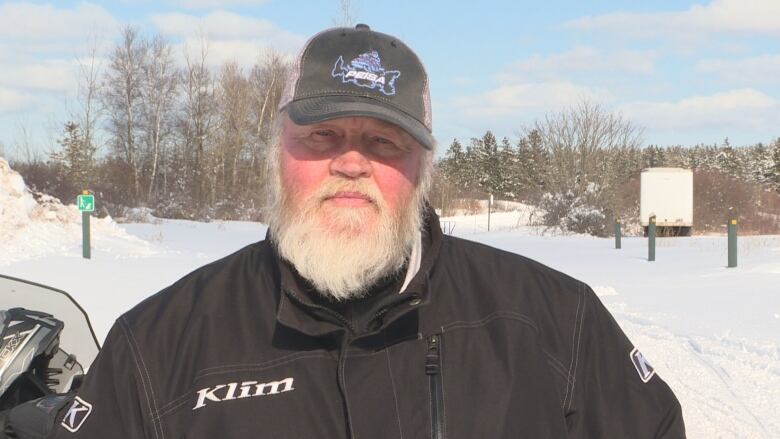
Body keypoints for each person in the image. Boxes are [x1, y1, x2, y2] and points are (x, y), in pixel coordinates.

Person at [49, 24, 685, 438]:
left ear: (421, 169)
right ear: (279, 153)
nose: (351, 162)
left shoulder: (553, 320)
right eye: (321, 136)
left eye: (383, 142)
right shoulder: (158, 346)